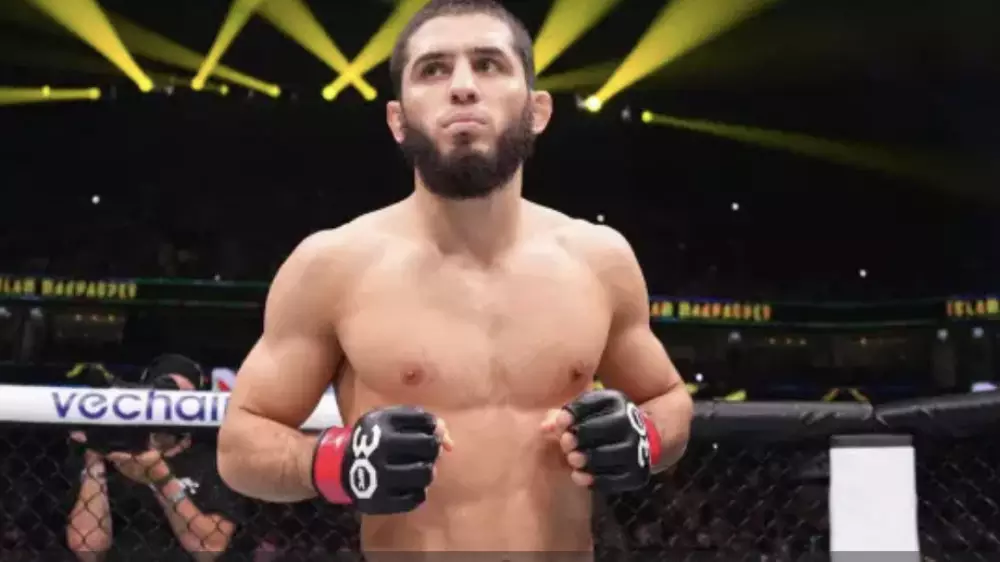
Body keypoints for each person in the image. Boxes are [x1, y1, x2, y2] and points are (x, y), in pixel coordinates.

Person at [217, 0, 694, 557]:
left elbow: (669, 400)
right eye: (433, 69)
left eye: (489, 65)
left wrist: (645, 436)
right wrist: (335, 462)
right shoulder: (333, 265)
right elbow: (239, 446)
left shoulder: (599, 259)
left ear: (537, 110)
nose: (463, 87)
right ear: (397, 120)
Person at [66, 358, 245, 561]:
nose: (171, 404)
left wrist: (161, 479)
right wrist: (95, 461)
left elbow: (210, 547)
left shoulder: (212, 461)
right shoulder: (115, 452)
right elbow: (87, 548)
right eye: (165, 394)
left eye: (183, 397)